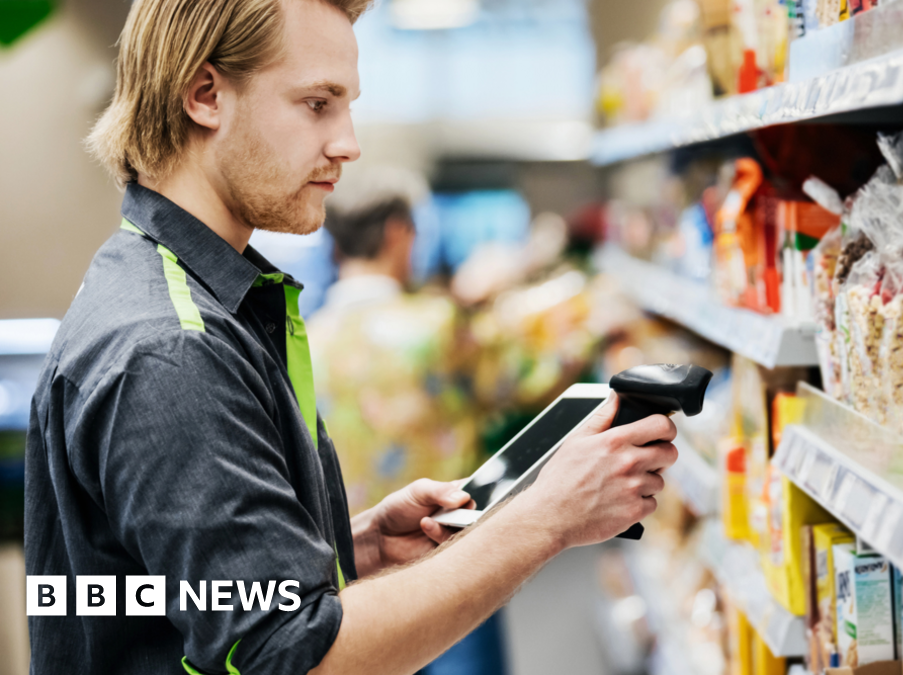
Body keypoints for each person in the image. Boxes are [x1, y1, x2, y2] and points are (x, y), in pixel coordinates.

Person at [24, 1, 678, 674]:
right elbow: (292, 659)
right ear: (204, 95)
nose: (349, 142)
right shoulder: (173, 347)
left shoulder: (160, 286)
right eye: (317, 104)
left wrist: (346, 545)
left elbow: (162, 588)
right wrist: (550, 516)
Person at [309, 167, 507, 675]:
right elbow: (517, 377)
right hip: (447, 551)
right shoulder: (437, 326)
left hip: (348, 578)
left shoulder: (303, 341)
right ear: (399, 232)